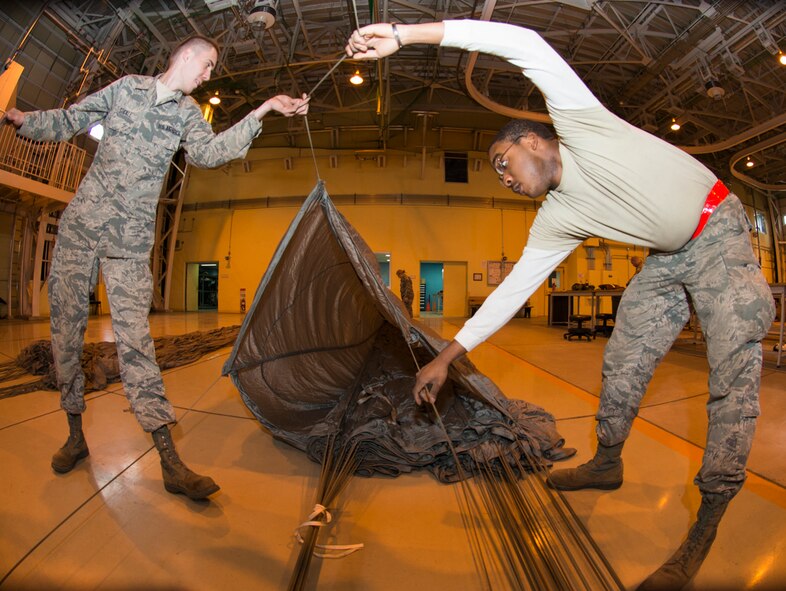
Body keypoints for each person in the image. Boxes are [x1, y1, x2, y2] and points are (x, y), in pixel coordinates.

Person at [346, 20, 775, 590]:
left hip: (717, 232)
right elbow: (512, 291)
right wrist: (446, 357)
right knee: (623, 361)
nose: (503, 180)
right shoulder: (557, 218)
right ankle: (607, 461)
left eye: (503, 163)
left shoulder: (583, 127)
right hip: (667, 256)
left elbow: (524, 44)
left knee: (732, 375)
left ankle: (707, 523)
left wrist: (406, 36)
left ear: (532, 141)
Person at [3, 35, 309, 501]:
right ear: (184, 55)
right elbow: (72, 120)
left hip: (129, 241)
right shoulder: (126, 88)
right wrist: (23, 119)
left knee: (136, 345)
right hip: (81, 228)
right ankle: (75, 435)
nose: (209, 75)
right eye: (207, 64)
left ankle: (169, 461)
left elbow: (210, 153)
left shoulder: (186, 114)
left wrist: (263, 109)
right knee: (65, 333)